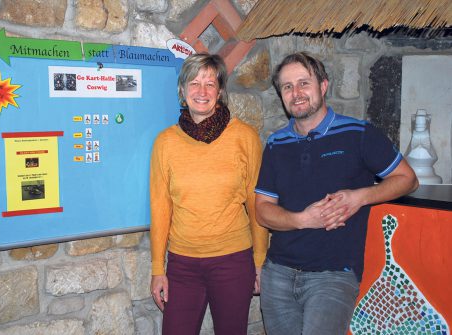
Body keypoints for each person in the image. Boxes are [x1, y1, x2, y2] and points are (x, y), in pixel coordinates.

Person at [255, 52, 419, 335]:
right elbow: (262, 209)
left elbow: (408, 179)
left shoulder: (360, 134)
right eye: (287, 86)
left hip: (332, 276)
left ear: (323, 85)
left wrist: (360, 197)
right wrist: (303, 219)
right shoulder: (276, 143)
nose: (296, 93)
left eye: (304, 83)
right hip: (278, 274)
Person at [149, 52, 269, 335]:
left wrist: (260, 261)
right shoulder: (165, 143)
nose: (201, 92)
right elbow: (160, 206)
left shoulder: (245, 137)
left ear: (221, 91)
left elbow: (256, 203)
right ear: (182, 90)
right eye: (194, 83)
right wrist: (157, 268)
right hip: (182, 265)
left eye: (210, 84)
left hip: (233, 262)